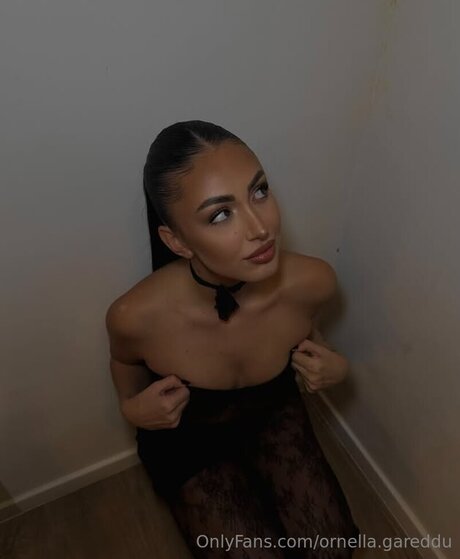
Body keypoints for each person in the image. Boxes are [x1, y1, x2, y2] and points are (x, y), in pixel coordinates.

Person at [105, 120, 360, 558]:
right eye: (220, 214)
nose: (260, 227)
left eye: (259, 192)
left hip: (273, 412)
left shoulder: (313, 281)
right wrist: (131, 408)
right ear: (176, 241)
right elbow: (125, 363)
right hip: (189, 437)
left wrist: (336, 365)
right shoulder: (135, 316)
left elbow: (306, 333)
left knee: (331, 548)